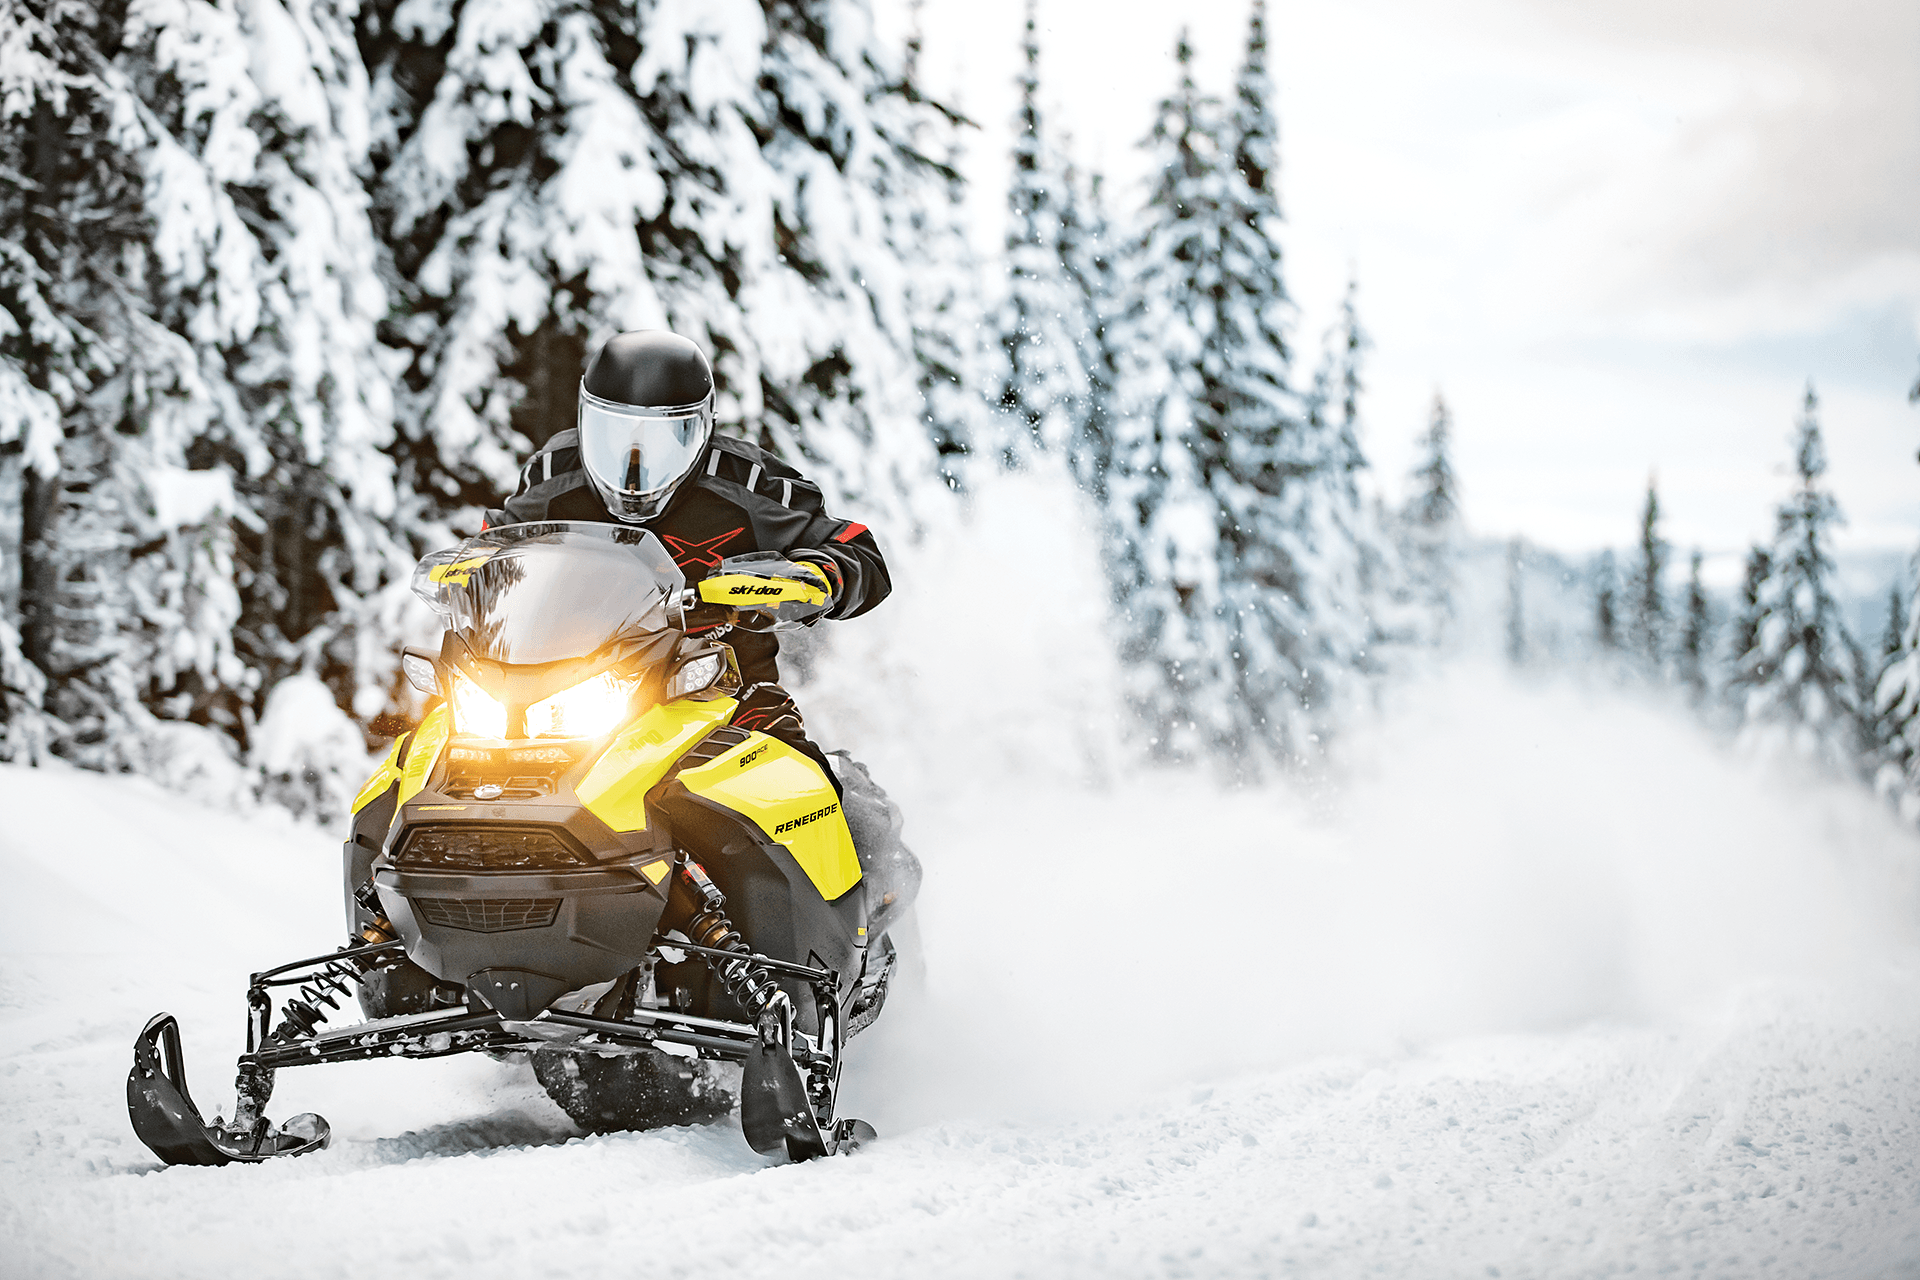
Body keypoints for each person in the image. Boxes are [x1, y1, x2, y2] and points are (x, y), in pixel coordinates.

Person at [483, 329, 889, 790]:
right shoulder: (555, 475)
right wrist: (464, 574)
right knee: (434, 770)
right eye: (613, 431)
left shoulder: (746, 483)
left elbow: (857, 548)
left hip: (719, 689)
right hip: (565, 694)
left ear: (700, 428)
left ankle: (860, 852)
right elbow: (494, 547)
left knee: (803, 787)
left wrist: (819, 574)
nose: (633, 461)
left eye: (663, 437)